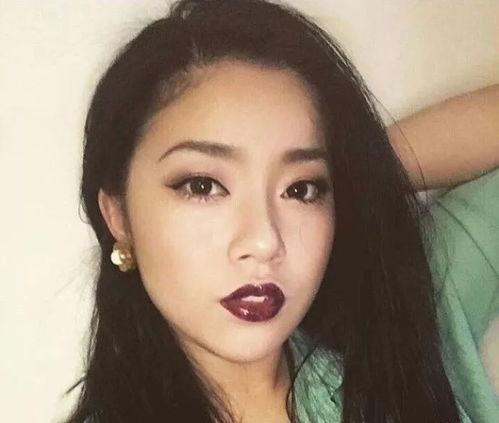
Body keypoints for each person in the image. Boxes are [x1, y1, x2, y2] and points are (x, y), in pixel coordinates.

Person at [64, 0, 499, 421]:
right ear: (118, 215)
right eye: (203, 186)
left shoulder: (401, 341)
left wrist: (360, 174)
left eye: (301, 189)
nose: (264, 240)